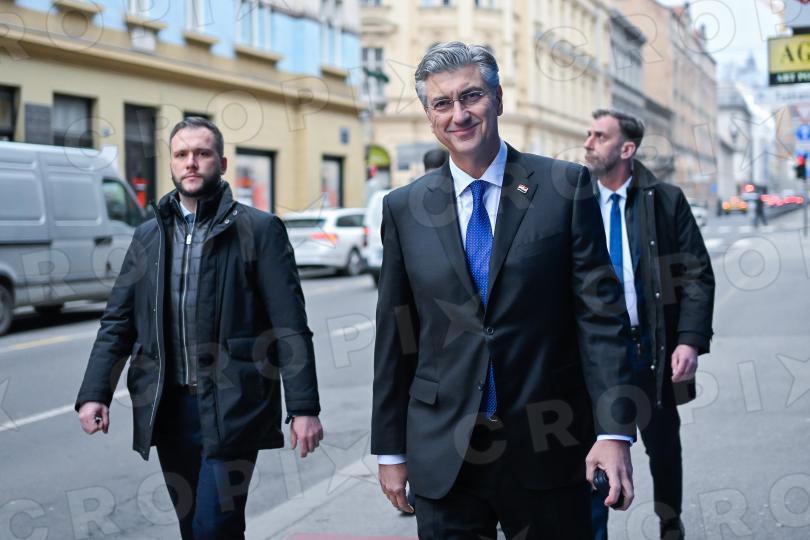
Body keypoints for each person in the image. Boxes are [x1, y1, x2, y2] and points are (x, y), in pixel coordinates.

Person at [371, 42, 637, 539]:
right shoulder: (404, 208)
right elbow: (396, 334)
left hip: (548, 442)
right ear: (430, 116)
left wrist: (613, 430)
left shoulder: (564, 187)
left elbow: (601, 319)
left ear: (497, 98)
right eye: (442, 103)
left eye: (471, 96)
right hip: (444, 452)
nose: (459, 114)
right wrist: (390, 450)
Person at [75, 117, 323, 539]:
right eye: (181, 154)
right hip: (170, 408)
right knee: (191, 526)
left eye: (202, 153)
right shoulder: (149, 236)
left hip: (234, 405)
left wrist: (304, 408)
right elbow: (118, 321)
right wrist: (95, 392)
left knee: (214, 528)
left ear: (221, 163)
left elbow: (290, 326)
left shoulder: (259, 230)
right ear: (171, 164)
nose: (191, 162)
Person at [583, 108, 715, 540]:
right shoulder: (575, 200)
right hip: (593, 356)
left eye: (599, 136)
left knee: (664, 448)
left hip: (648, 349)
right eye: (589, 134)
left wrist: (689, 340)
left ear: (627, 149)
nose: (588, 143)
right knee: (593, 446)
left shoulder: (665, 199)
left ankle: (669, 522)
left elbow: (696, 274)